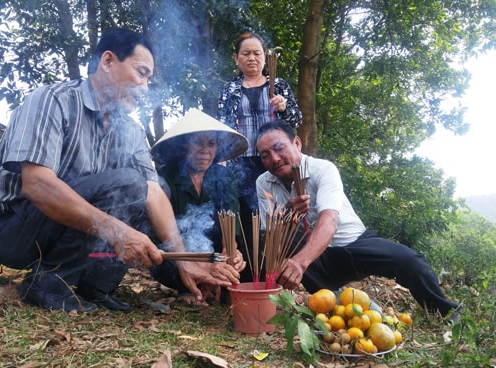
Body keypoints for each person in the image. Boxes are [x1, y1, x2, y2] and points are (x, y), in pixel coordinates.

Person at [0, 27, 240, 313]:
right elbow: (37, 184)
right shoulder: (53, 100)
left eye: (150, 79)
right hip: (16, 231)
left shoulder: (130, 128)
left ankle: (94, 286)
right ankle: (47, 283)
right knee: (128, 184)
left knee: (155, 188)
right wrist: (119, 233)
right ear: (108, 61)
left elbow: (152, 191)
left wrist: (185, 257)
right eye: (141, 73)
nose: (146, 87)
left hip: (64, 229)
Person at [255, 120, 461, 319]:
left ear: (297, 143)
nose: (274, 159)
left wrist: (299, 263)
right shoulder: (264, 182)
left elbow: (330, 222)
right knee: (282, 234)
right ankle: (337, 304)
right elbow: (273, 235)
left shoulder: (323, 170)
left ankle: (445, 312)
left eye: (279, 148)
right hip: (318, 263)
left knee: (410, 261)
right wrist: (289, 216)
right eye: (266, 155)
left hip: (353, 244)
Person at [217, 32, 302, 281]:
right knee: (247, 217)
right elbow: (224, 127)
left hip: (275, 161)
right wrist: (223, 157)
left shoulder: (279, 85)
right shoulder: (230, 89)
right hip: (242, 162)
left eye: (257, 53)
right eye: (246, 53)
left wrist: (284, 107)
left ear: (265, 57)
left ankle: (280, 275)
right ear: (236, 58)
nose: (252, 58)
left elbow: (297, 120)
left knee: (279, 216)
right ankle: (249, 277)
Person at [149, 108, 248, 305]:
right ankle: (188, 287)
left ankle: (221, 284)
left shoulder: (224, 176)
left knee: (239, 253)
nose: (205, 150)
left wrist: (230, 256)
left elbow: (231, 225)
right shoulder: (165, 178)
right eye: (198, 143)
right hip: (176, 255)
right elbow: (165, 236)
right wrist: (200, 264)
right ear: (184, 146)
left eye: (211, 143)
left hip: (216, 253)